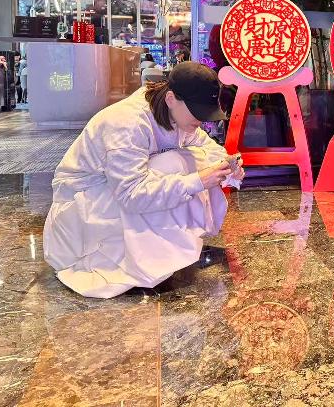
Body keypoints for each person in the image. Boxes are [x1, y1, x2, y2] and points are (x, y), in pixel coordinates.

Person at [43, 61, 245, 298]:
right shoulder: (126, 123)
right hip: (82, 214)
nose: (201, 121)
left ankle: (162, 248)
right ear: (171, 99)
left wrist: (227, 165)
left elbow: (205, 146)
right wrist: (198, 181)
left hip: (110, 195)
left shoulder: (173, 113)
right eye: (197, 112)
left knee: (190, 159)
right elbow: (131, 194)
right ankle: (142, 258)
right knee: (172, 164)